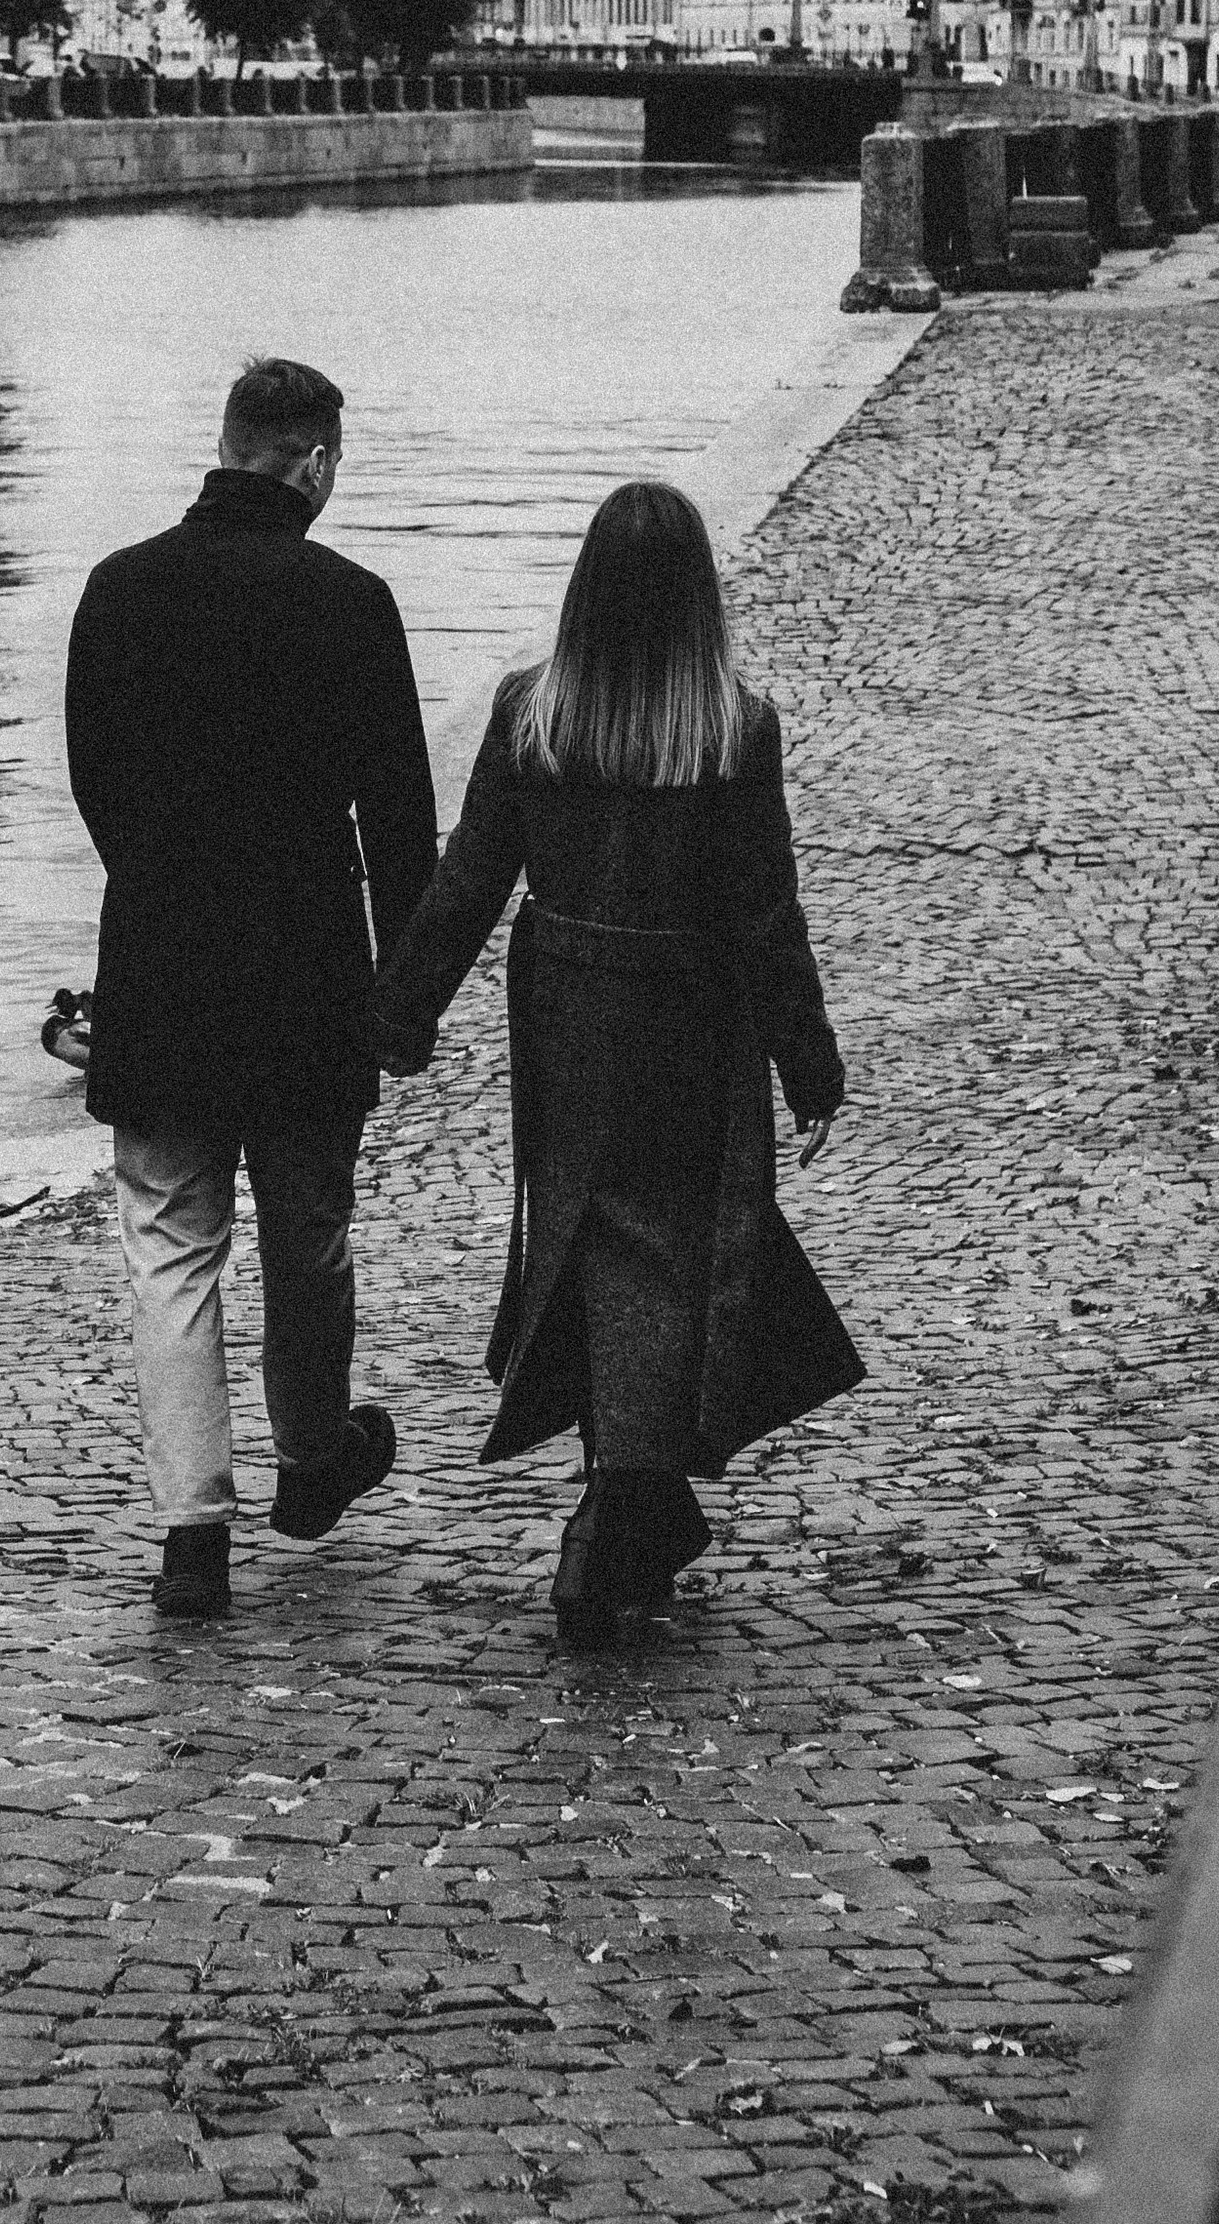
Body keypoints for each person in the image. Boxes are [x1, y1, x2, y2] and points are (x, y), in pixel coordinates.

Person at [372, 482, 860, 1646]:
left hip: (570, 1020)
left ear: (583, 590)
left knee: (590, 1249)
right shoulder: (733, 727)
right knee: (675, 1254)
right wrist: (809, 1060)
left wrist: (401, 1015)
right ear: (699, 597)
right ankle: (614, 1523)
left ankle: (632, 1506)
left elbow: (471, 878)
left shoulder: (531, 712)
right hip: (693, 1022)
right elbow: (763, 913)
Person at [66, 356, 438, 1624]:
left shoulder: (117, 592)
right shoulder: (351, 601)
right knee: (306, 1234)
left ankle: (190, 1536)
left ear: (226, 449)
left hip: (161, 964)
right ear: (316, 464)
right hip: (304, 973)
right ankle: (312, 1455)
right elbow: (398, 821)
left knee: (170, 1247)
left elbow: (96, 786)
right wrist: (406, 995)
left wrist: (162, 884)